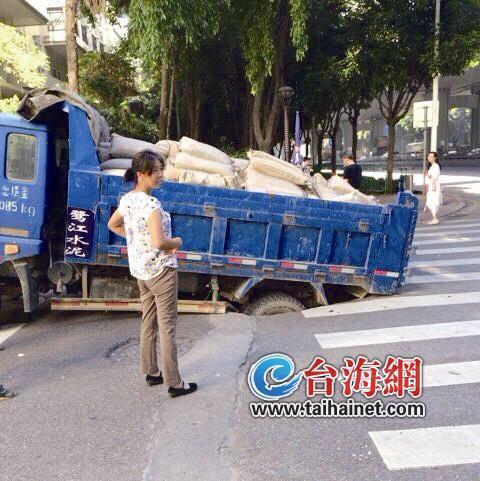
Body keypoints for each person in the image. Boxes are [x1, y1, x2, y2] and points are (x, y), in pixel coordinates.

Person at [108, 150, 197, 398]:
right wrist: (177, 240)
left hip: (141, 272)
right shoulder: (151, 205)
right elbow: (159, 242)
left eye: (161, 169)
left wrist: (136, 240)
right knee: (167, 327)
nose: (160, 175)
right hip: (161, 271)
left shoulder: (127, 200)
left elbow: (113, 224)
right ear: (141, 174)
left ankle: (151, 372)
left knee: (148, 321)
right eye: (155, 171)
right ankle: (175, 383)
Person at [424, 151, 442, 224]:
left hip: (434, 187)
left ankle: (435, 219)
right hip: (431, 186)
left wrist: (428, 175)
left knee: (431, 202)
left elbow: (435, 177)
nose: (429, 158)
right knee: (430, 202)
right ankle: (434, 218)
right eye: (428, 156)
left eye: (431, 156)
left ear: (435, 158)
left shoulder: (436, 166)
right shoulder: (431, 166)